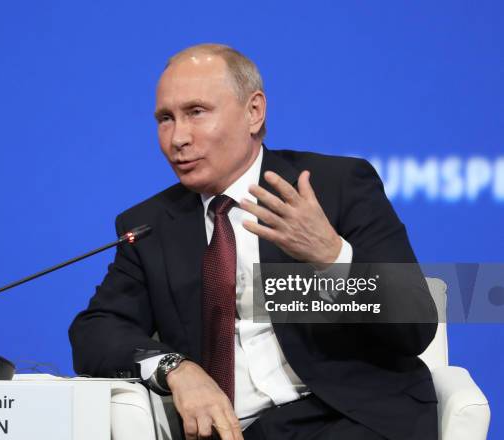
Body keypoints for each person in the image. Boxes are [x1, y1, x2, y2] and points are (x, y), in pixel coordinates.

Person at [69, 44, 438, 440]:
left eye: (196, 112)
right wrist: (176, 367)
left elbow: (415, 324)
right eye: (165, 119)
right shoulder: (149, 226)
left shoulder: (336, 187)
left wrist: (332, 258)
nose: (178, 137)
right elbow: (96, 331)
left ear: (254, 112)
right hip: (234, 431)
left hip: (349, 416)